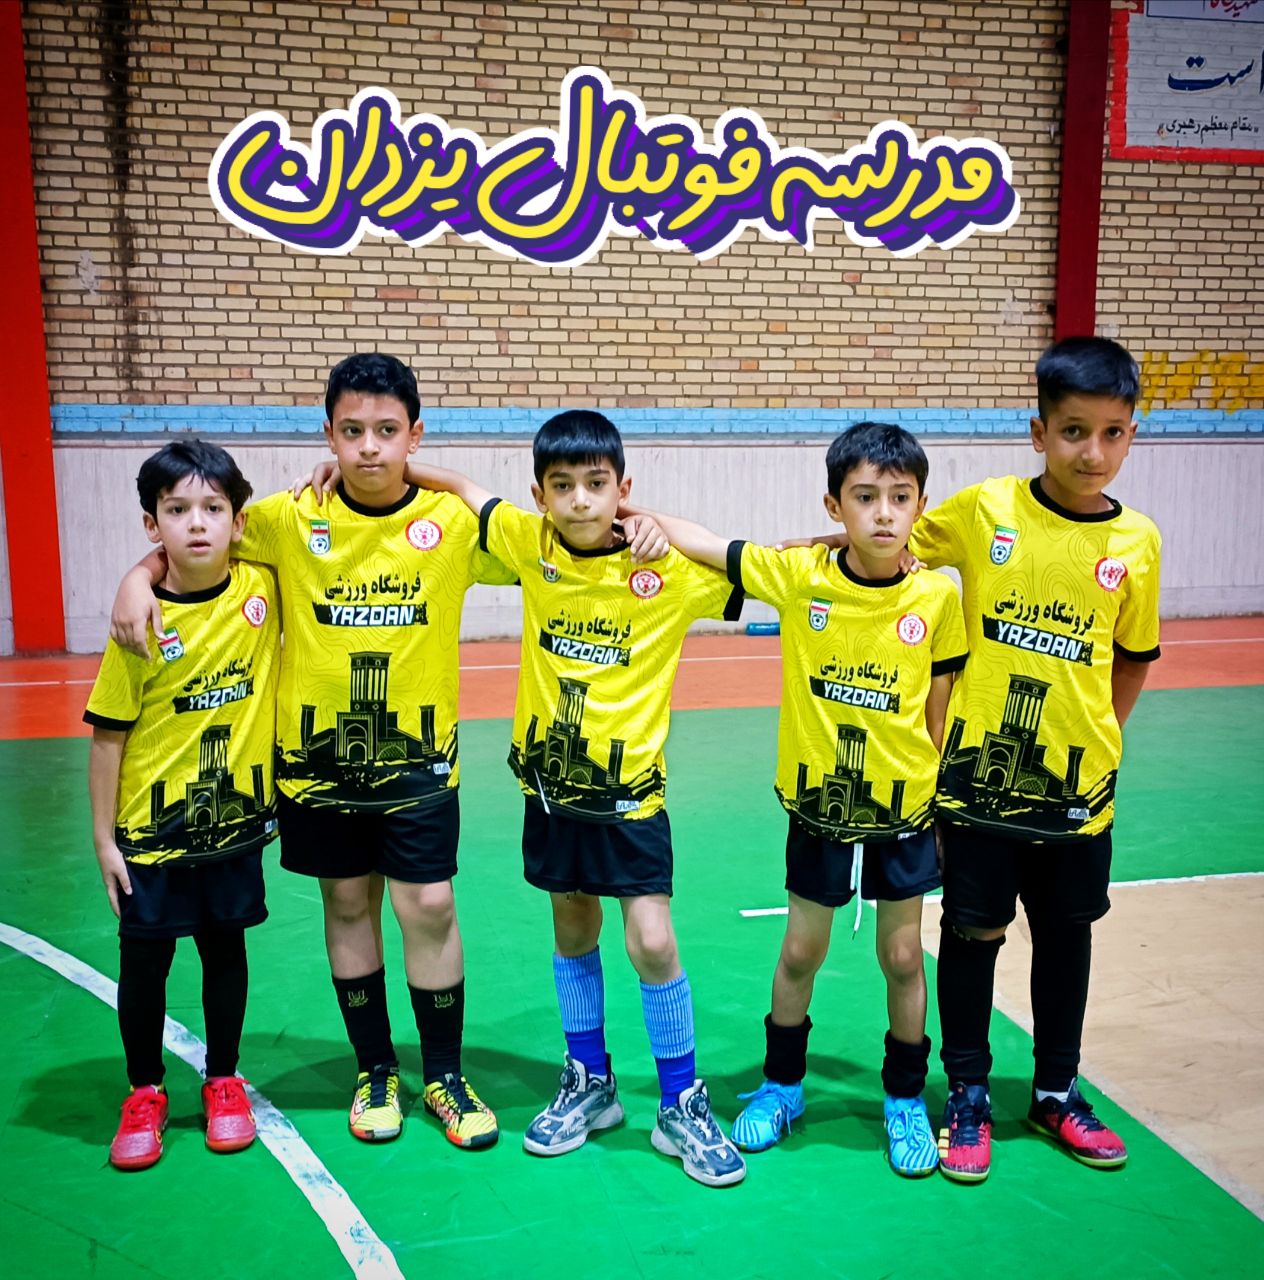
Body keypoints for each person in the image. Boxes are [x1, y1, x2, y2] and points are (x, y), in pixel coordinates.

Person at [109, 354, 518, 1151]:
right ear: (328, 433)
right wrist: (138, 573)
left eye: (387, 432)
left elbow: (539, 544)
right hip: (317, 773)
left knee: (430, 907)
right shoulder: (289, 518)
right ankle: (375, 1070)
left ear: (414, 435)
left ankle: (444, 1073)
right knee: (347, 905)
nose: (368, 447)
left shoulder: (451, 525)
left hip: (418, 769)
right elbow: (201, 538)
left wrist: (441, 477)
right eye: (352, 431)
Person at [390, 410, 749, 1187]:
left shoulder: (666, 569)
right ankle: (591, 1081)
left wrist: (655, 524)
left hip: (631, 803)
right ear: (541, 495)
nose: (581, 500)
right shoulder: (532, 544)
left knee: (652, 940)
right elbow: (468, 492)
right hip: (552, 795)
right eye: (563, 486)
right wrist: (395, 469)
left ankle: (681, 1102)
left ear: (622, 488)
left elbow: (744, 560)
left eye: (596, 484)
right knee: (573, 927)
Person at [627, 422, 967, 1176]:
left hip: (906, 812)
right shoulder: (800, 574)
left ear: (920, 506)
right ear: (834, 505)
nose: (883, 513)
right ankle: (781, 1086)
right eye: (865, 497)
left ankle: (905, 1098)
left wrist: (943, 806)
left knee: (903, 957)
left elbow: (939, 711)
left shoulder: (937, 596)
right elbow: (707, 543)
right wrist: (629, 514)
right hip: (820, 810)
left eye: (900, 498)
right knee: (802, 950)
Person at [910, 337, 1162, 1182]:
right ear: (1039, 432)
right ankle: (968, 1093)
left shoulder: (1138, 541)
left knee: (1065, 935)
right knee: (972, 932)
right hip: (978, 783)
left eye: (1113, 433)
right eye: (1074, 431)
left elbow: (1132, 660)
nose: (1093, 452)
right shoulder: (986, 510)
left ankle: (1056, 1090)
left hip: (1078, 789)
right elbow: (887, 545)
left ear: (1132, 434)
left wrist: (1098, 738)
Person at [87, 439, 279, 1170]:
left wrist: (136, 571)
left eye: (212, 508)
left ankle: (224, 1079)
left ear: (237, 520)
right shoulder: (138, 626)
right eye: (176, 510)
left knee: (226, 951)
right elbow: (108, 738)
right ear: (152, 524)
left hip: (232, 827)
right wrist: (104, 841)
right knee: (145, 962)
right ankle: (145, 1090)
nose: (196, 523)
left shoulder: (263, 588)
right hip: (151, 832)